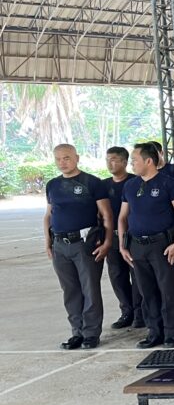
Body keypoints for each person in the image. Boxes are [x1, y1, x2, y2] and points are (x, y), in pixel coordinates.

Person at [118, 142, 174, 348]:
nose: (132, 164)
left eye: (134, 160)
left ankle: (171, 333)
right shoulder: (130, 185)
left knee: (167, 291)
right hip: (137, 246)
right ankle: (154, 332)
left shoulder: (168, 183)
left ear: (148, 161)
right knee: (146, 291)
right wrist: (123, 245)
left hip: (162, 245)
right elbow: (122, 217)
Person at [45, 144, 114, 349]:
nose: (62, 162)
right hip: (60, 244)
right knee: (70, 290)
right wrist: (48, 242)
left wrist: (107, 242)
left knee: (89, 288)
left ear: (77, 158)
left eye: (66, 158)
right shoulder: (52, 185)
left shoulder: (92, 183)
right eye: (58, 159)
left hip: (85, 243)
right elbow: (48, 215)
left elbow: (107, 215)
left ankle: (91, 333)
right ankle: (77, 332)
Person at [102, 146, 143, 329]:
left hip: (133, 237)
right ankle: (126, 311)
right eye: (107, 160)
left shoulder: (136, 182)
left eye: (114, 159)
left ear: (125, 162)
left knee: (138, 275)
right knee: (117, 276)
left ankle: (140, 313)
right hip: (112, 237)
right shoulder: (103, 186)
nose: (110, 163)